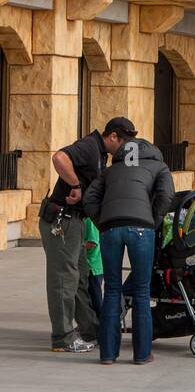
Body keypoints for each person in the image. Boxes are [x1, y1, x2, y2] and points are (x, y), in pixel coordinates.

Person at [42, 118, 134, 353]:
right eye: (124, 142)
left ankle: (92, 330)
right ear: (113, 136)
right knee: (64, 279)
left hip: (76, 221)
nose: (125, 148)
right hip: (63, 220)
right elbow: (58, 158)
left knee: (81, 277)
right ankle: (62, 337)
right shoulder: (90, 146)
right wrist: (75, 185)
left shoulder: (101, 155)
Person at [83, 129, 174, 364]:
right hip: (142, 229)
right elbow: (166, 196)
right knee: (142, 292)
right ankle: (142, 354)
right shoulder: (159, 168)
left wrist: (102, 223)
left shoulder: (110, 171)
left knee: (112, 290)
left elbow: (89, 198)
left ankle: (107, 354)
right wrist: (151, 222)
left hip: (111, 229)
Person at [83, 217, 103, 317]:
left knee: (95, 299)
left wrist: (75, 244)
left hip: (93, 266)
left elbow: (92, 243)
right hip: (92, 265)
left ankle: (100, 323)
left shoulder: (90, 221)